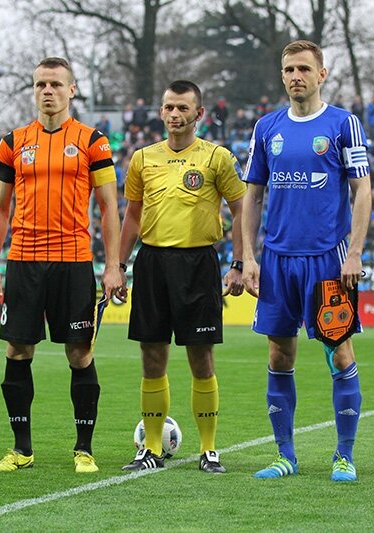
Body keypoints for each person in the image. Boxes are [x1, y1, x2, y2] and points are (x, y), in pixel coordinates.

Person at [0, 57, 124, 474]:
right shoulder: (13, 142)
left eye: (56, 84)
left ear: (71, 90)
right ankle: (21, 449)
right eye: (41, 84)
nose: (48, 91)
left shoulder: (92, 141)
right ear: (34, 90)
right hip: (23, 261)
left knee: (79, 353)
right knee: (17, 349)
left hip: (74, 261)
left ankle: (84, 449)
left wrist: (112, 265)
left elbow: (109, 206)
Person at [242, 40, 372, 482]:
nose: (295, 76)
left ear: (322, 74)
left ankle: (344, 456)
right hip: (278, 259)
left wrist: (355, 252)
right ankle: (285, 456)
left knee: (340, 352)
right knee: (279, 354)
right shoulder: (267, 128)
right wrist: (248, 256)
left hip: (328, 258)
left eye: (303, 68)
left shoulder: (343, 124)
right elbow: (252, 196)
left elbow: (362, 189)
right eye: (288, 70)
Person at [119, 80, 246, 473]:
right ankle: (151, 449)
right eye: (169, 107)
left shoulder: (217, 158)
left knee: (201, 357)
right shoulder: (142, 158)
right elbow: (132, 216)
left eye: (183, 108)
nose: (174, 114)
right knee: (152, 356)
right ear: (161, 112)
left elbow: (241, 209)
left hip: (198, 264)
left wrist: (240, 263)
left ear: (199, 114)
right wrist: (117, 266)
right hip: (152, 263)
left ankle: (209, 450)